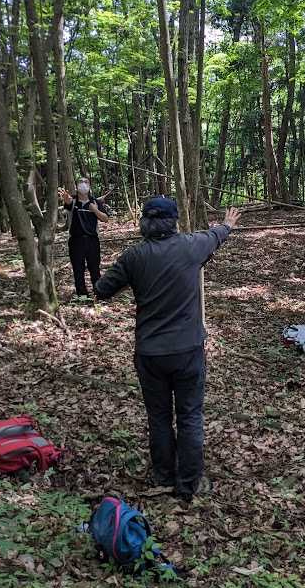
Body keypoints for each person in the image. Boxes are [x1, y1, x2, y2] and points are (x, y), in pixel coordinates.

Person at [95, 198, 240, 499]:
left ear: (144, 224)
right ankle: (187, 484)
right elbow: (216, 235)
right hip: (187, 351)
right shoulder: (190, 246)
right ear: (174, 222)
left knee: (159, 416)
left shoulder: (135, 256)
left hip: (151, 352)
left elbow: (101, 290)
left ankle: (165, 477)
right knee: (188, 415)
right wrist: (227, 224)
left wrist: (130, 280)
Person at [59, 177, 109, 299]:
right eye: (80, 182)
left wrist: (94, 210)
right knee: (78, 269)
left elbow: (105, 219)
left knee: (94, 268)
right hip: (76, 240)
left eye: (86, 182)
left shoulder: (95, 202)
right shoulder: (73, 200)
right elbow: (68, 203)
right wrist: (66, 200)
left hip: (92, 240)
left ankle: (99, 293)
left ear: (90, 186)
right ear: (76, 185)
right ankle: (82, 295)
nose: (83, 184)